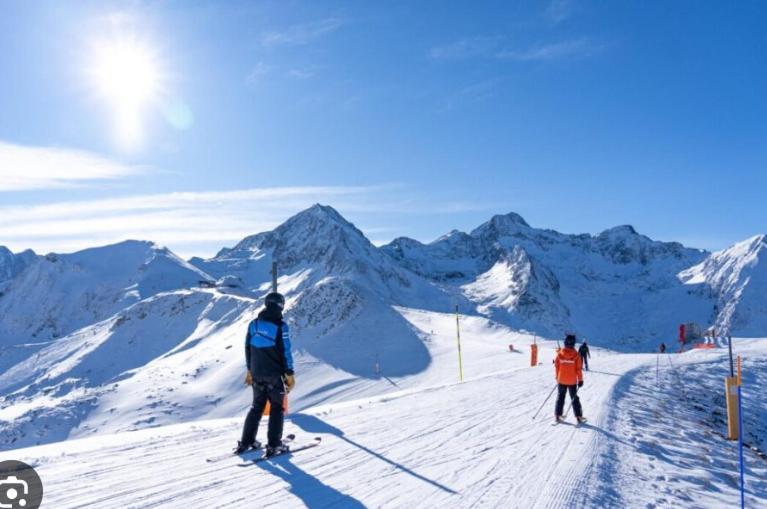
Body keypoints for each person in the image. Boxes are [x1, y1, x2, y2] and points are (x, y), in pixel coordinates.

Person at [236, 292, 296, 457]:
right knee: (277, 407)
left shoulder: (253, 324)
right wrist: (289, 373)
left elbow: (247, 348)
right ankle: (274, 445)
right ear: (280, 305)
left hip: (256, 373)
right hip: (274, 374)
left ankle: (247, 442)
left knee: (256, 407)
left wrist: (250, 369)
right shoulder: (280, 326)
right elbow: (285, 351)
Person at [554, 334, 586, 424]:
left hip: (561, 380)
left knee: (560, 397)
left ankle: (557, 415)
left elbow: (557, 366)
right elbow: (578, 369)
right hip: (572, 381)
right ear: (573, 343)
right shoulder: (576, 355)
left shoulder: (560, 354)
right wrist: (580, 380)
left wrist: (557, 377)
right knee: (574, 398)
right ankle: (578, 417)